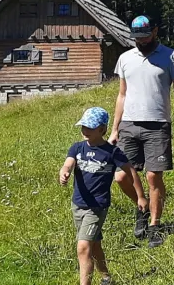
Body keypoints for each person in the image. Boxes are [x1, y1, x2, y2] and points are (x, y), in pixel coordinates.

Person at [108, 15, 174, 248]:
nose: (141, 41)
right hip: (128, 124)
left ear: (155, 31)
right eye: (137, 37)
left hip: (157, 124)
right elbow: (122, 95)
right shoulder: (125, 58)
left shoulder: (170, 56)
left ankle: (155, 225)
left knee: (153, 176)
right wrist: (114, 129)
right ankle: (141, 204)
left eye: (145, 36)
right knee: (121, 176)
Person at [60, 107, 147, 285]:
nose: (85, 130)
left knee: (83, 247)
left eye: (90, 127)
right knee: (94, 244)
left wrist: (140, 196)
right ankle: (106, 278)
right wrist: (65, 171)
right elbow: (68, 163)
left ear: (102, 129)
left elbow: (131, 172)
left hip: (97, 207)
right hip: (78, 205)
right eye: (83, 126)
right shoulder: (77, 148)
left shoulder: (111, 152)